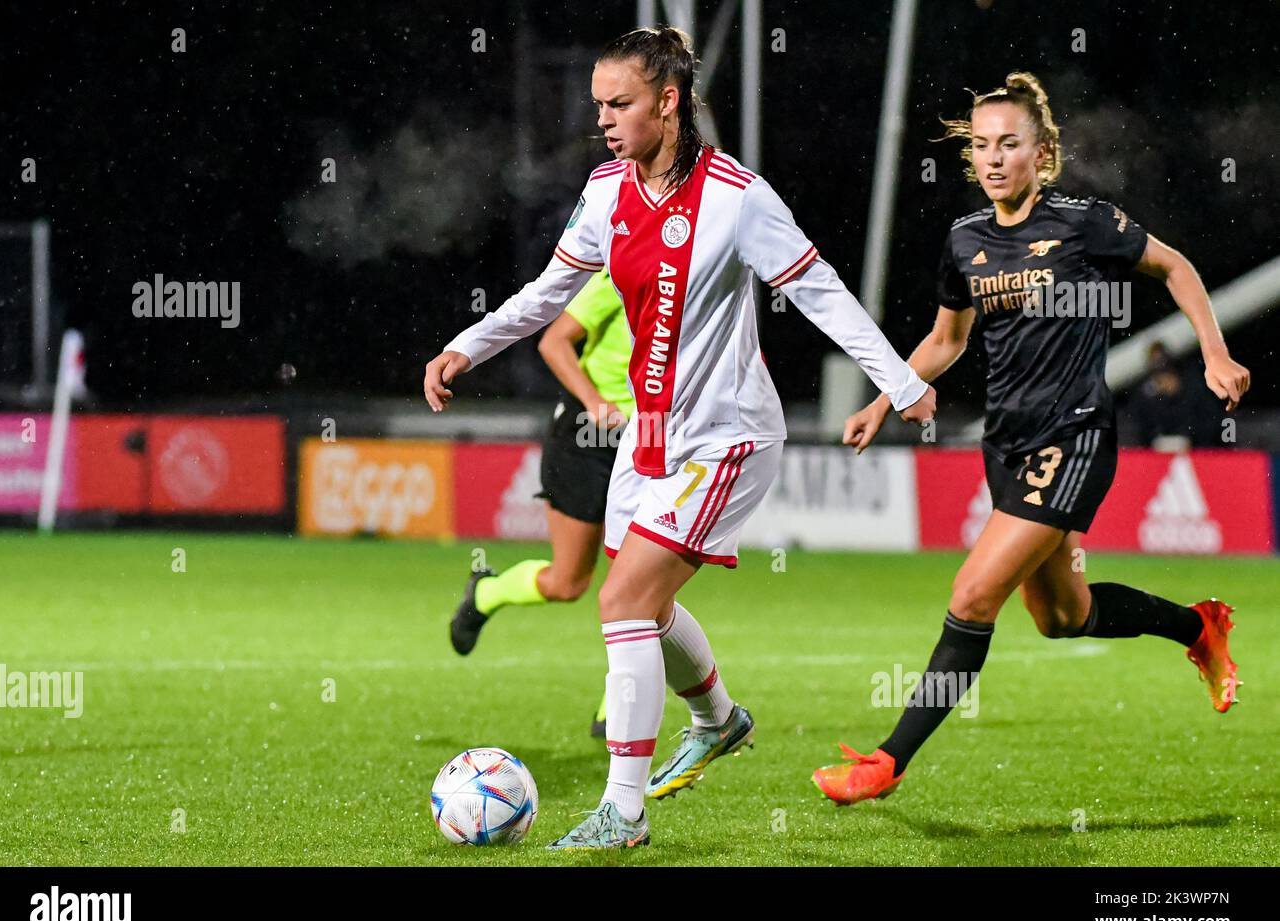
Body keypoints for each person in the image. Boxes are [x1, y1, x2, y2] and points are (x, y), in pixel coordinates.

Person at [424, 26, 935, 848]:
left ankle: (622, 814)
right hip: (650, 440)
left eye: (618, 104)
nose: (604, 120)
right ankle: (720, 720)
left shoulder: (737, 197)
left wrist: (900, 381)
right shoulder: (606, 192)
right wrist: (467, 344)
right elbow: (546, 293)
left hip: (727, 437)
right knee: (640, 606)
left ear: (668, 103)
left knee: (623, 601)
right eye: (598, 105)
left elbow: (822, 293)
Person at [815, 72, 1250, 807]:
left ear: (1042, 154)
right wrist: (885, 399)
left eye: (1008, 144)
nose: (992, 158)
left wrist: (1213, 351)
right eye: (981, 146)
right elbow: (947, 340)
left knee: (974, 591)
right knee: (1062, 618)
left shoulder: (1083, 223)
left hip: (1075, 435)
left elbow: (1173, 267)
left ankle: (888, 761)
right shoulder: (964, 240)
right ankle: (1198, 628)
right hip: (1007, 444)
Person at [449, 269, 632, 739]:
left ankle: (618, 702)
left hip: (652, 443)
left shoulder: (704, 277)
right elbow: (554, 342)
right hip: (589, 438)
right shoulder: (622, 270)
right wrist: (594, 402)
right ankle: (486, 594)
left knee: (645, 579)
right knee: (569, 582)